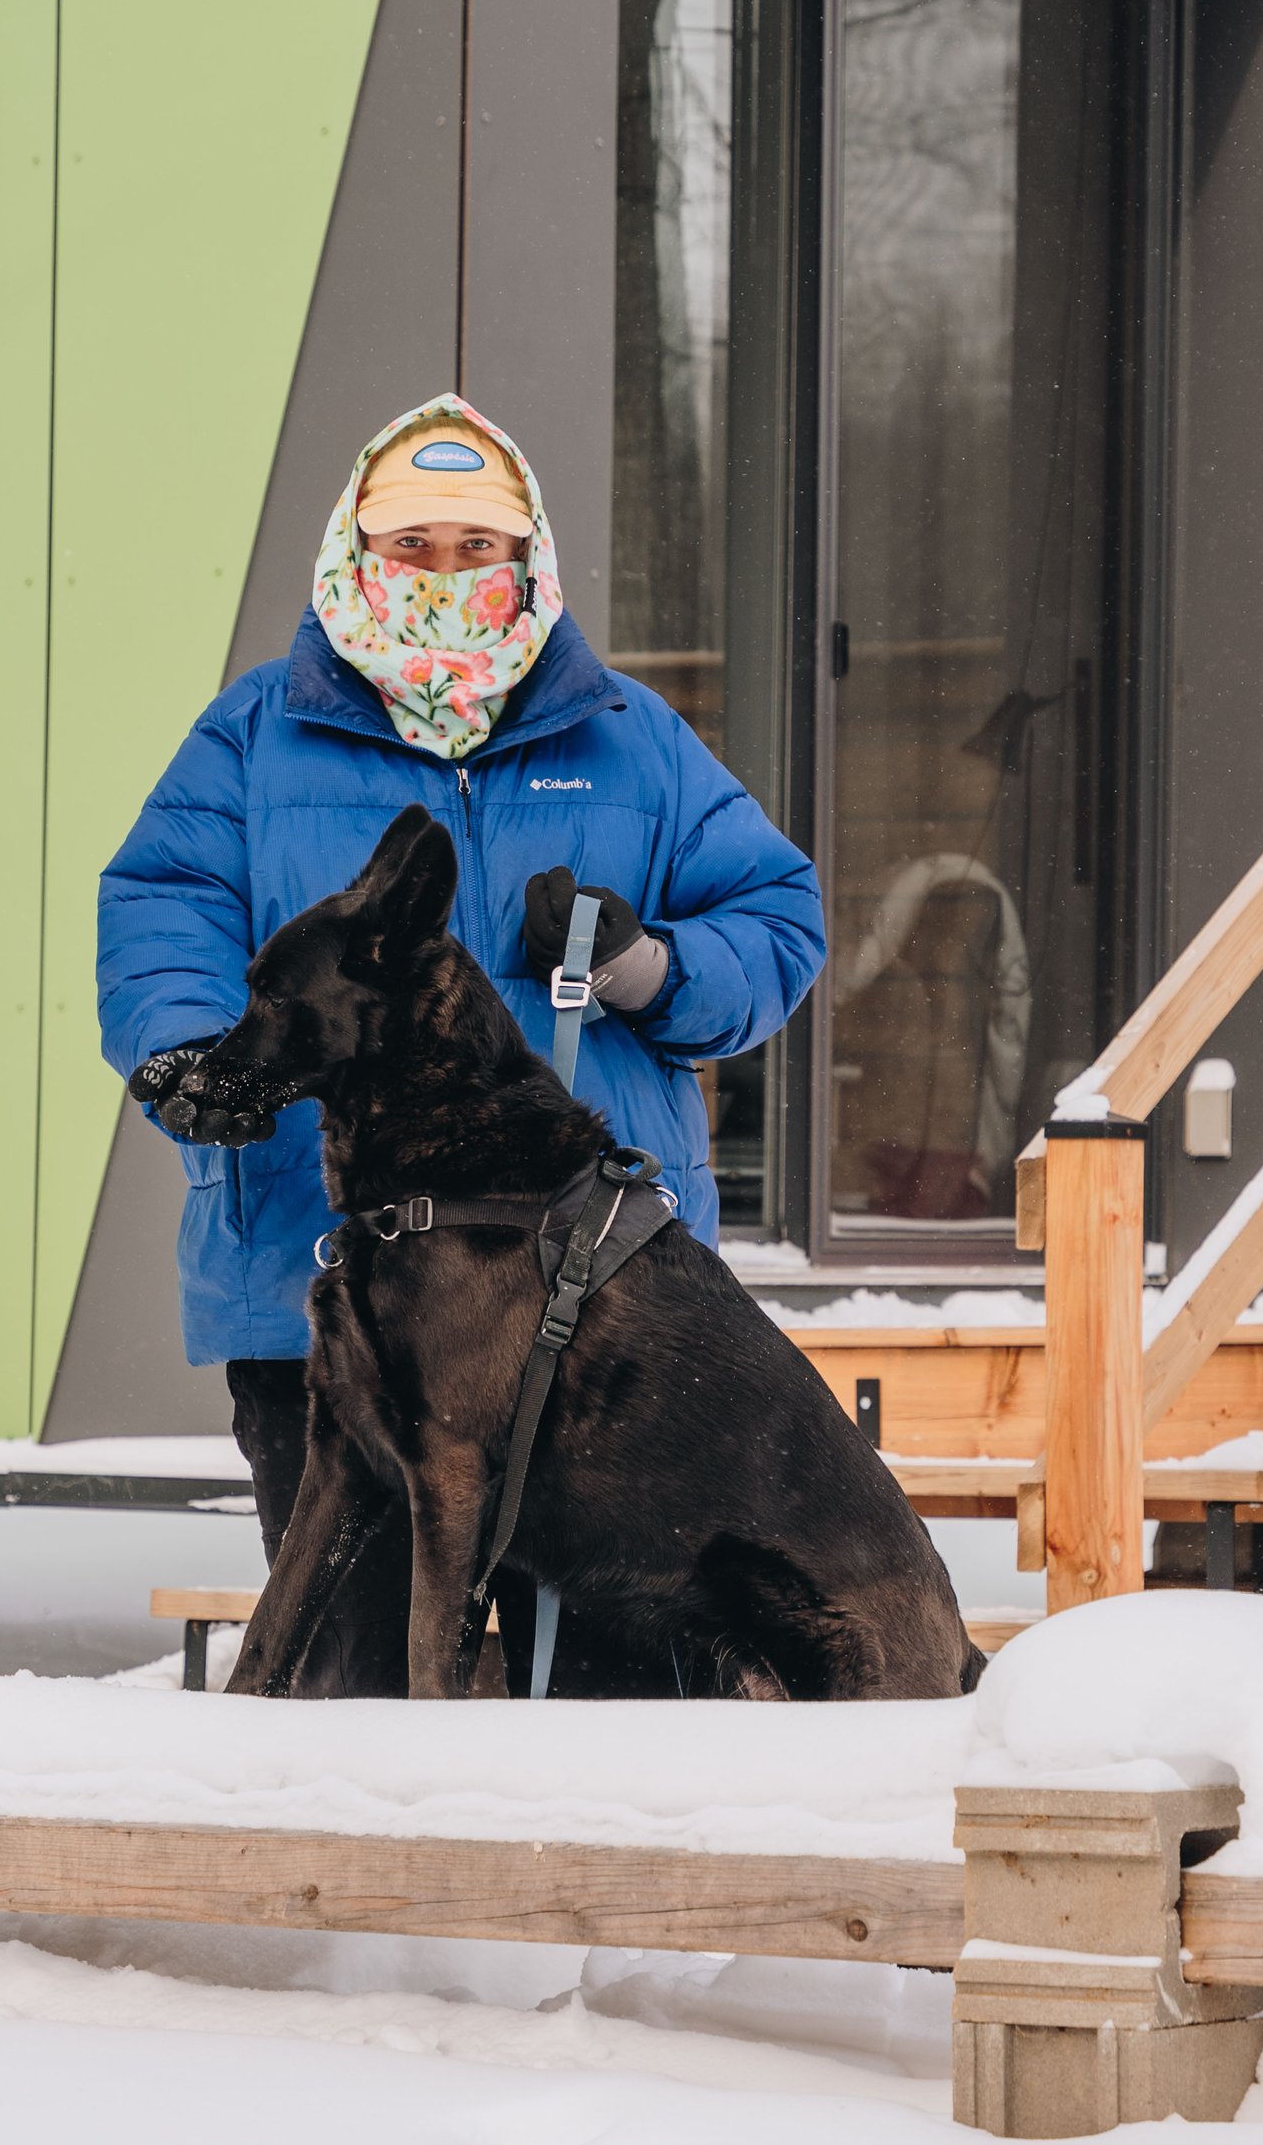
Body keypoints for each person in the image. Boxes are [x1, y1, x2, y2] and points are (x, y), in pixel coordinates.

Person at [97, 394, 827, 1564]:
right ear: (357, 550)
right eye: (413, 548)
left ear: (526, 556)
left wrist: (648, 965)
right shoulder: (253, 735)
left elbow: (776, 920)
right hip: (327, 1277)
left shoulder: (629, 737)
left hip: (598, 1306)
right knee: (353, 1694)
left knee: (602, 1707)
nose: (444, 574)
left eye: (477, 548)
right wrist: (184, 1046)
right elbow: (159, 908)